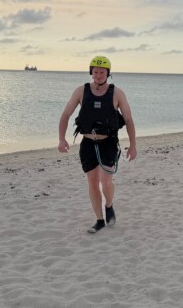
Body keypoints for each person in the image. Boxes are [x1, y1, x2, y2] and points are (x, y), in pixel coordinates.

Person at [58, 56, 137, 234]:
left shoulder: (117, 93)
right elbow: (65, 115)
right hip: (87, 143)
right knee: (92, 182)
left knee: (105, 182)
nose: (99, 75)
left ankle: (109, 205)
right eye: (95, 72)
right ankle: (99, 220)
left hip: (108, 143)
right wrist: (61, 139)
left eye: (102, 72)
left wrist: (133, 145)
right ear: (91, 73)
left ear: (108, 74)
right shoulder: (81, 91)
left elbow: (129, 119)